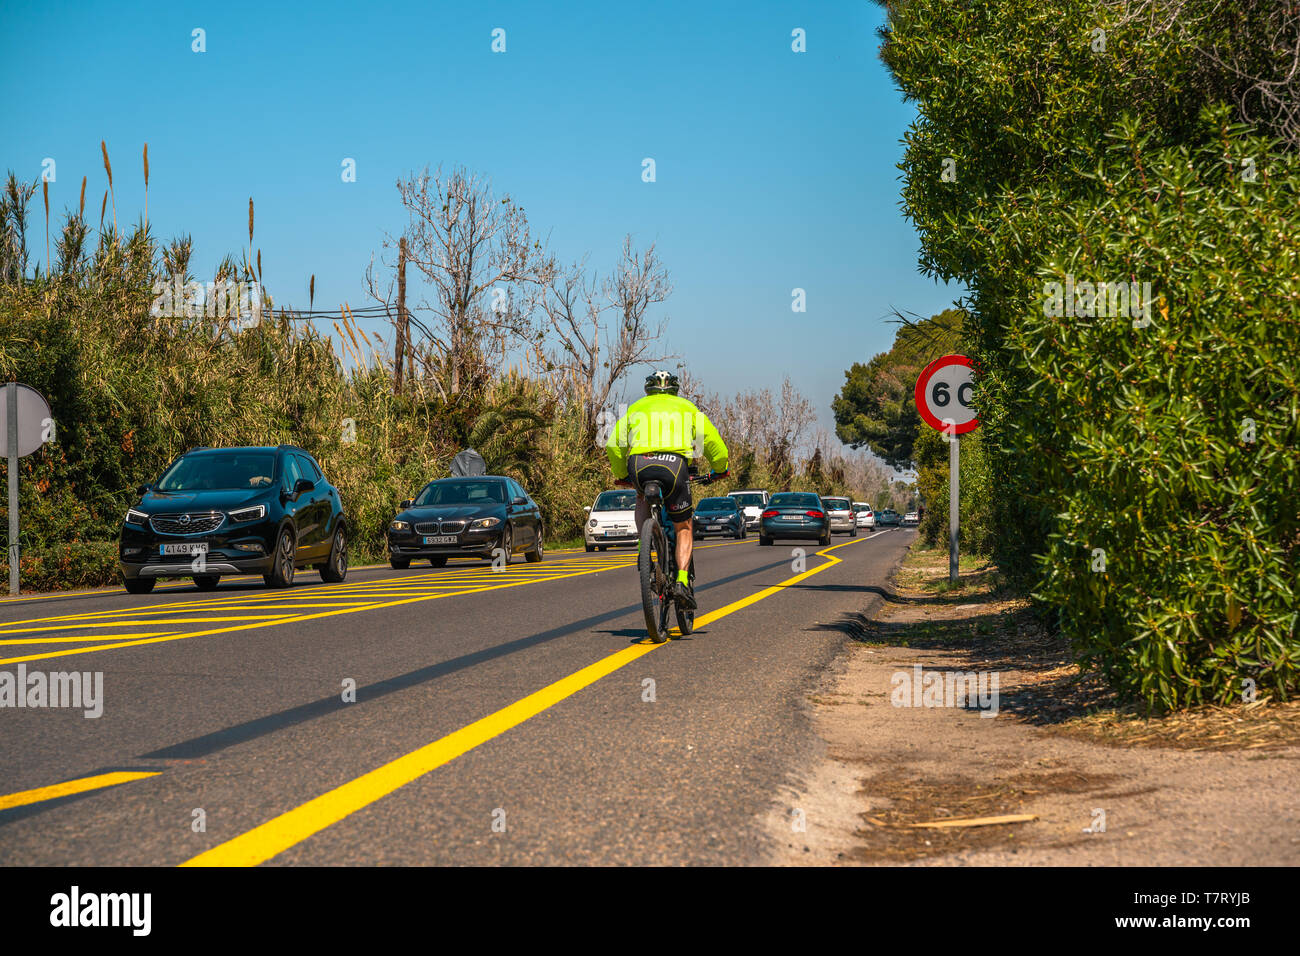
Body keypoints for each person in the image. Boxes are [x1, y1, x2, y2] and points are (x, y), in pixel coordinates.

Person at [605, 370, 729, 610]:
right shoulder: (687, 408)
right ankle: (682, 581)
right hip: (674, 466)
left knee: (641, 498)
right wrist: (719, 468)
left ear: (648, 390)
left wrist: (622, 474)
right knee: (683, 526)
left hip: (640, 463)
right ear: (675, 390)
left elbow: (614, 444)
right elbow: (714, 444)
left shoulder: (635, 409)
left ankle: (644, 545)